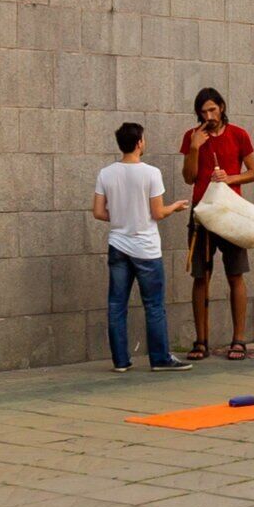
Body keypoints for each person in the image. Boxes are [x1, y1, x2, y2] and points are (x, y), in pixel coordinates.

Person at [91, 120, 192, 372]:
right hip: (146, 248)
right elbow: (157, 213)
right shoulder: (151, 173)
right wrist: (174, 207)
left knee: (117, 305)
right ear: (139, 143)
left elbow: (98, 212)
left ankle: (120, 361)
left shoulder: (105, 173)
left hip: (117, 245)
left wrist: (121, 217)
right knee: (154, 305)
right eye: (143, 139)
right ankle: (160, 359)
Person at [178, 86, 254, 361]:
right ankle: (201, 341)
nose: (208, 116)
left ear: (222, 107)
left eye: (212, 110)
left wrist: (230, 178)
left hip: (230, 212)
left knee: (235, 274)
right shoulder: (192, 136)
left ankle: (239, 339)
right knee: (201, 276)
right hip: (202, 213)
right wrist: (194, 147)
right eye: (203, 112)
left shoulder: (238, 134)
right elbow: (189, 177)